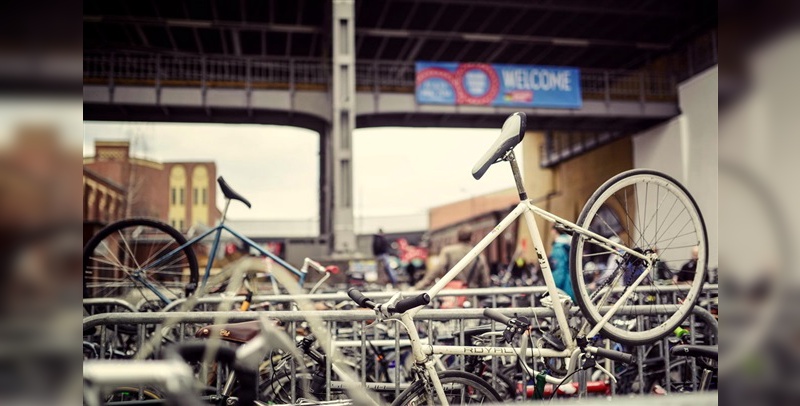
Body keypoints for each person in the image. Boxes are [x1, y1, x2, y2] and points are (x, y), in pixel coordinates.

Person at [413, 226, 490, 290]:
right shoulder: (478, 255)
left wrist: (419, 286)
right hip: (472, 295)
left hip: (453, 295)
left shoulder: (448, 252)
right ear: (472, 237)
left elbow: (436, 270)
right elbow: (485, 280)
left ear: (458, 237)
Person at [549, 227, 575, 301]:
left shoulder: (558, 248)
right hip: (570, 284)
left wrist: (554, 286)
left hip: (563, 288)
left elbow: (559, 270)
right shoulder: (567, 245)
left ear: (554, 231)